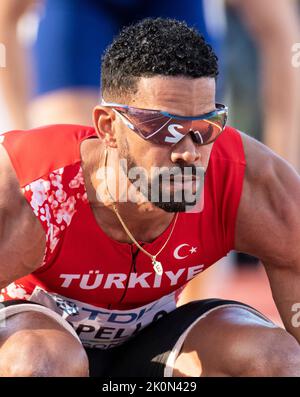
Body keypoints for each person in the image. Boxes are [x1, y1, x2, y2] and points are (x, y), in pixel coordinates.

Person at [0, 18, 300, 377]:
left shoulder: (250, 184)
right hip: (35, 334)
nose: (188, 153)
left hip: (155, 348)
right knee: (41, 360)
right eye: (165, 129)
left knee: (277, 359)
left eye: (205, 128)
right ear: (108, 128)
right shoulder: (30, 193)